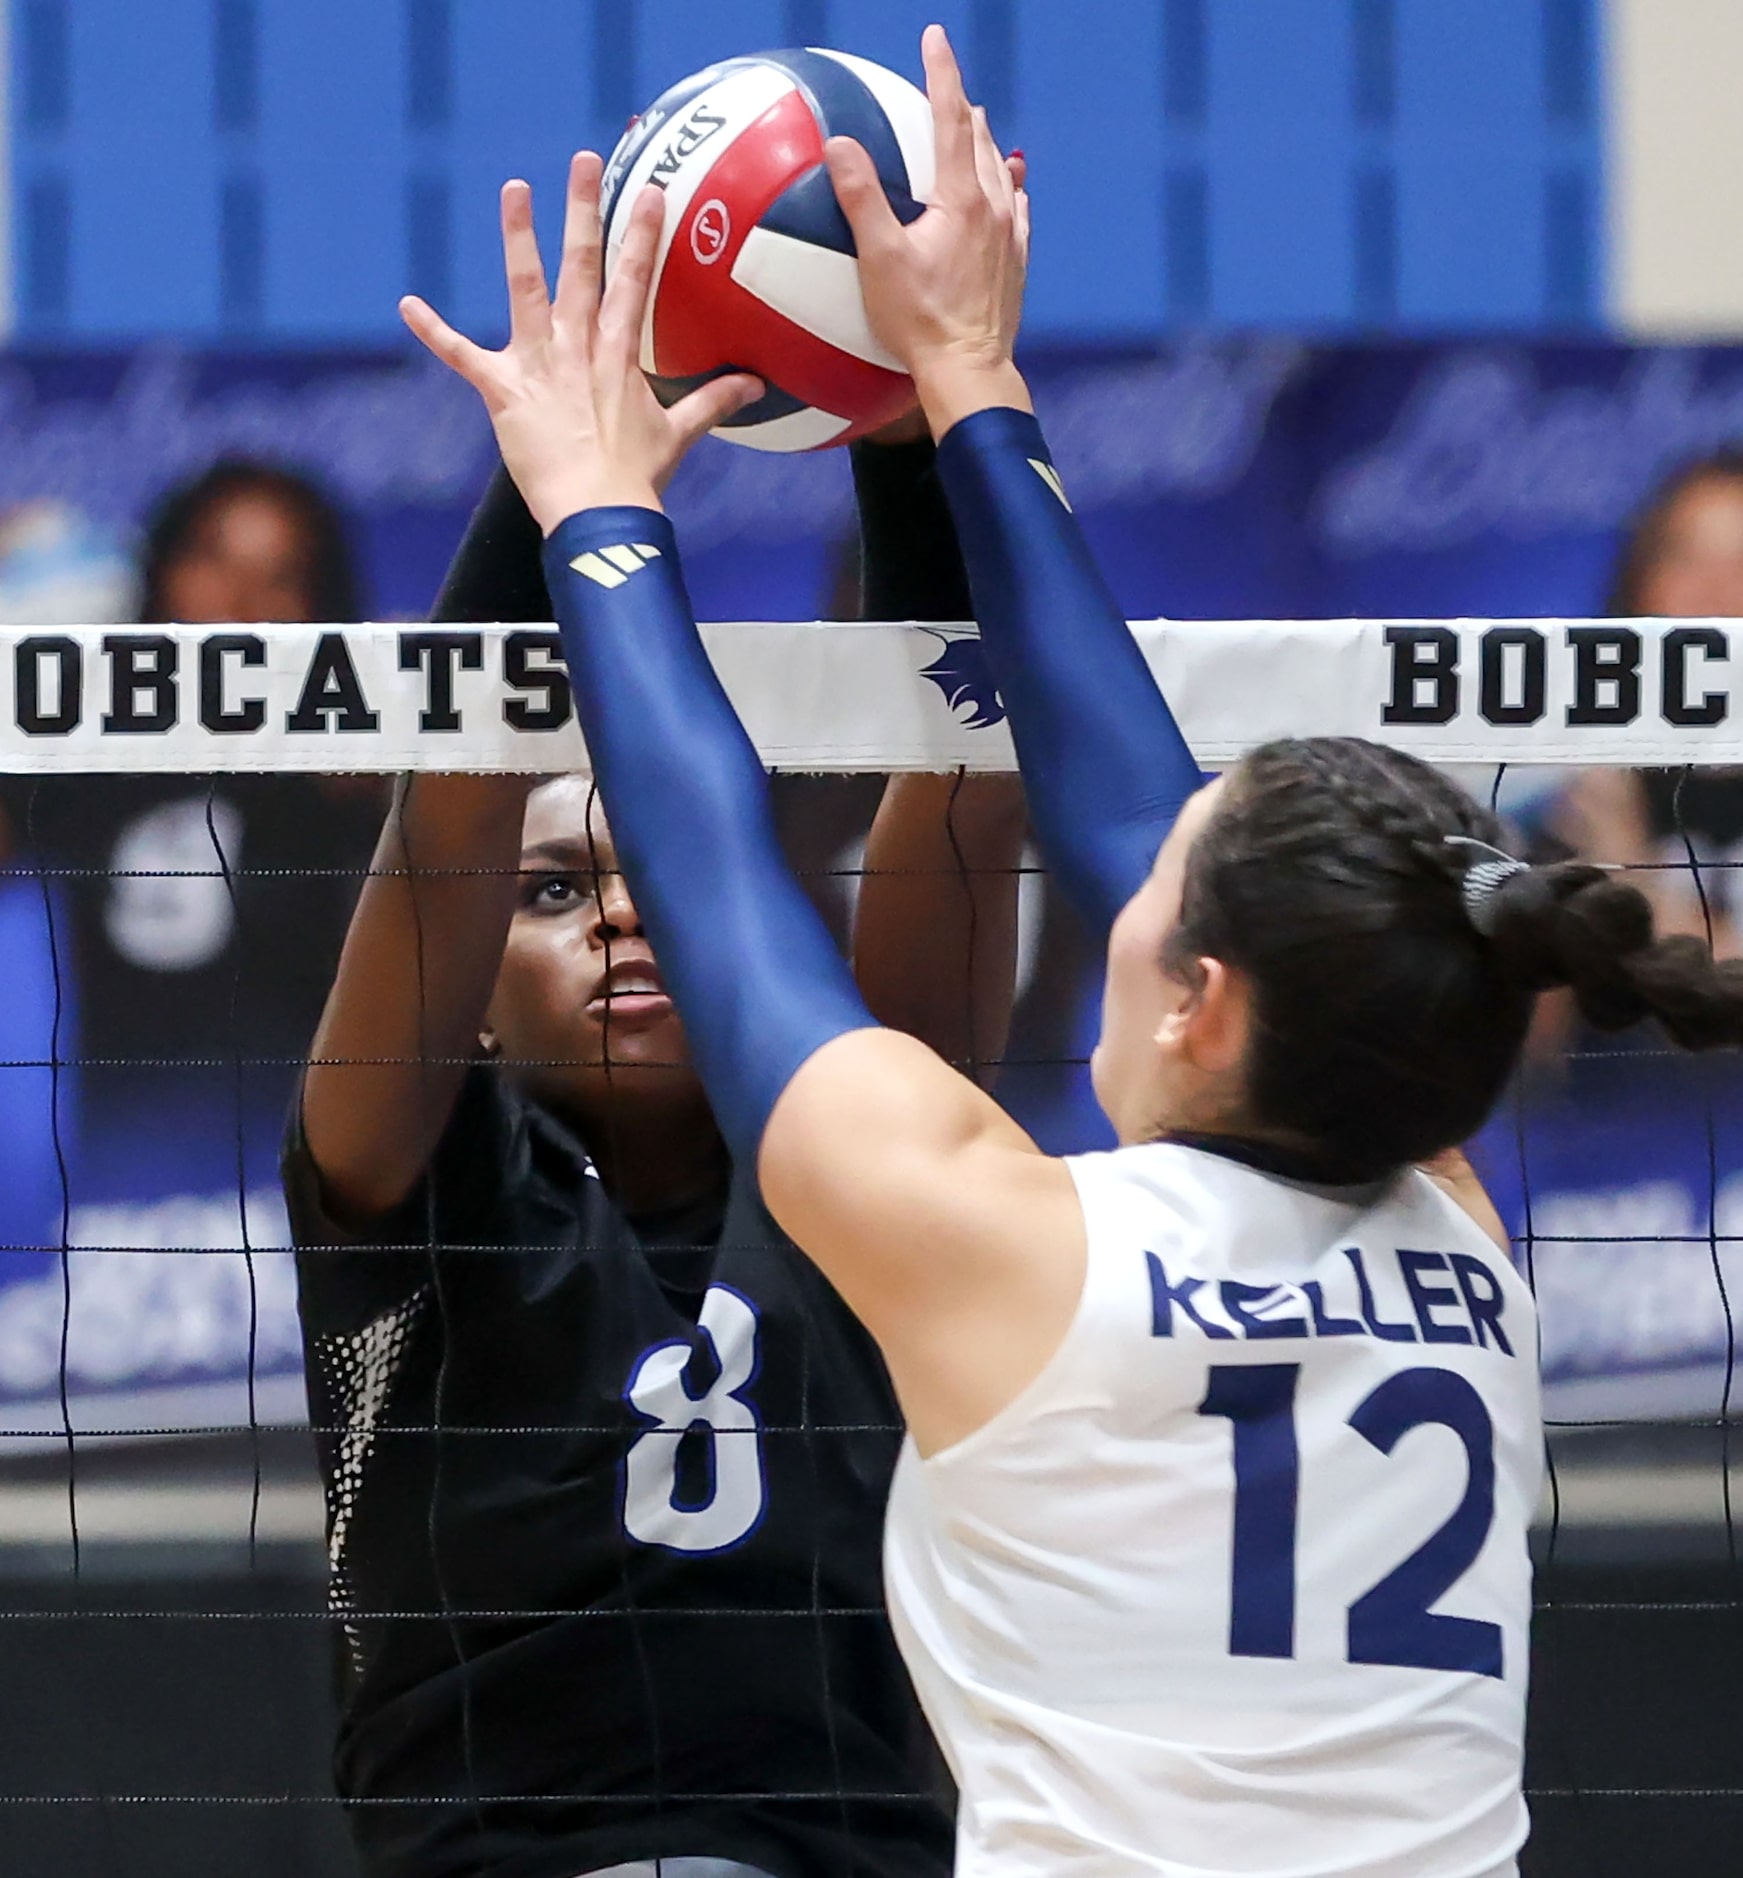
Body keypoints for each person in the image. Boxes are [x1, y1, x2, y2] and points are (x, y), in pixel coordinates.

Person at [401, 26, 1743, 1876]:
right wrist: (958, 375)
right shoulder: (1454, 1230)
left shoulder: (1017, 1243)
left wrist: (603, 512)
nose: (1115, 894)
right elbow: (1132, 815)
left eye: (1155, 901)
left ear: (1204, 993)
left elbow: (702, 863)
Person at [286, 330, 1024, 1872]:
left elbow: (965, 760)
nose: (624, 916)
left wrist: (902, 401)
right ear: (476, 980)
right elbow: (447, 816)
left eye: (668, 876)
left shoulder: (870, 1166)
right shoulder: (408, 1184)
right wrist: (548, 469)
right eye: (554, 889)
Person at [1552, 452, 1743, 959]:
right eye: (1686, 558)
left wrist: (1631, 870)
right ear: (1636, 584)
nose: (1715, 594)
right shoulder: (1578, 775)